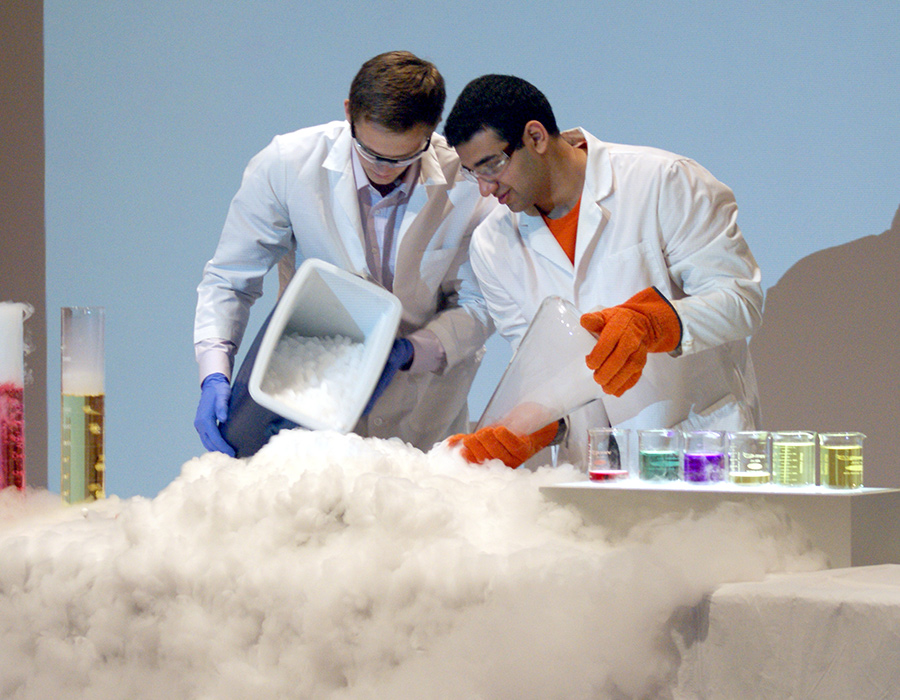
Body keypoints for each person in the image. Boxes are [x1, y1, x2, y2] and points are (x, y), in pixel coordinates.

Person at [443, 74, 762, 469]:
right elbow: (544, 370)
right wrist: (532, 429)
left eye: (491, 165)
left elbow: (740, 301)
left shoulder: (664, 181)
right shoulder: (492, 244)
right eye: (473, 173)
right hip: (591, 468)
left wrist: (653, 323)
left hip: (697, 450)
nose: (486, 190)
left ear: (536, 137)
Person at [193, 51, 495, 458]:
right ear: (349, 112)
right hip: (309, 406)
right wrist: (214, 373)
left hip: (426, 417)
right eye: (370, 153)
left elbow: (480, 303)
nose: (384, 169)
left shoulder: (471, 184)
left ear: (433, 128)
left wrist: (409, 351)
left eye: (403, 157)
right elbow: (230, 279)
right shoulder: (288, 164)